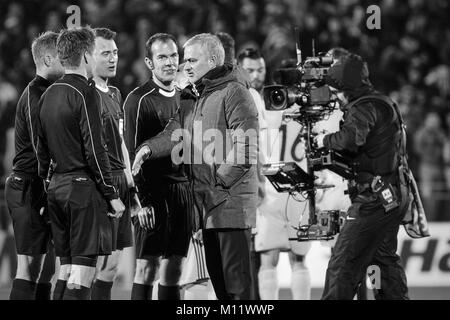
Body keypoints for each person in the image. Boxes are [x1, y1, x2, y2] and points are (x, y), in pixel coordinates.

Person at [133, 33, 259, 300]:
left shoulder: (235, 92)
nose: (185, 66)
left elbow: (246, 148)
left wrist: (218, 183)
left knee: (238, 292)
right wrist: (148, 148)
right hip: (207, 206)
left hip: (229, 206)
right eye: (185, 60)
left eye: (192, 60)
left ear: (213, 59)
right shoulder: (193, 96)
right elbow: (174, 131)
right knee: (223, 289)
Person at [37, 26, 125, 300]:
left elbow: (42, 153)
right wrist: (111, 194)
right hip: (83, 192)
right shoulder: (86, 93)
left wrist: (47, 189)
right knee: (83, 276)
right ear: (87, 55)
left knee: (66, 272)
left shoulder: (47, 94)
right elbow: (95, 150)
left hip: (57, 191)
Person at [315, 53, 409, 300]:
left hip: (374, 199)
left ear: (347, 87)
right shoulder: (382, 102)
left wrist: (323, 140)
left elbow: (350, 139)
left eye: (337, 92)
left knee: (342, 264)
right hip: (391, 194)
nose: (335, 99)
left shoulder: (364, 106)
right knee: (384, 264)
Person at [238, 48, 312, 300]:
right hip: (299, 190)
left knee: (268, 261)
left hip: (270, 189)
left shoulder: (261, 107)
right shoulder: (306, 112)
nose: (257, 75)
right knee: (298, 260)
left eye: (261, 70)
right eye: (251, 70)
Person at [123, 33, 191, 300]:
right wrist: (138, 202)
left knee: (174, 268)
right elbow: (130, 156)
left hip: (182, 192)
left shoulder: (187, 98)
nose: (170, 62)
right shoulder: (138, 100)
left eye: (174, 56)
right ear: (149, 63)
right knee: (146, 268)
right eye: (162, 57)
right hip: (151, 194)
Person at [4, 31, 63, 300]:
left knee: (47, 265)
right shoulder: (34, 95)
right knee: (28, 266)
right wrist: (49, 190)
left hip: (42, 184)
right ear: (48, 58)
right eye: (63, 56)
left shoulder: (51, 92)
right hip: (29, 185)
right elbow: (42, 151)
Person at [90, 27, 140, 300]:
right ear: (89, 55)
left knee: (111, 267)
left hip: (120, 181)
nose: (112, 59)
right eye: (105, 53)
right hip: (101, 186)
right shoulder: (84, 94)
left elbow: (119, 139)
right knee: (91, 264)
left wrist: (131, 184)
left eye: (115, 53)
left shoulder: (115, 93)